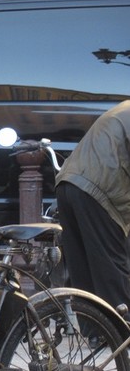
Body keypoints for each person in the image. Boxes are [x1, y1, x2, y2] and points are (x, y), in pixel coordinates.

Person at [55, 100, 130, 316]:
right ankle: (121, 334)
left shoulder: (124, 108)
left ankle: (95, 332)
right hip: (101, 189)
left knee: (83, 268)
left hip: (69, 181)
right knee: (111, 268)